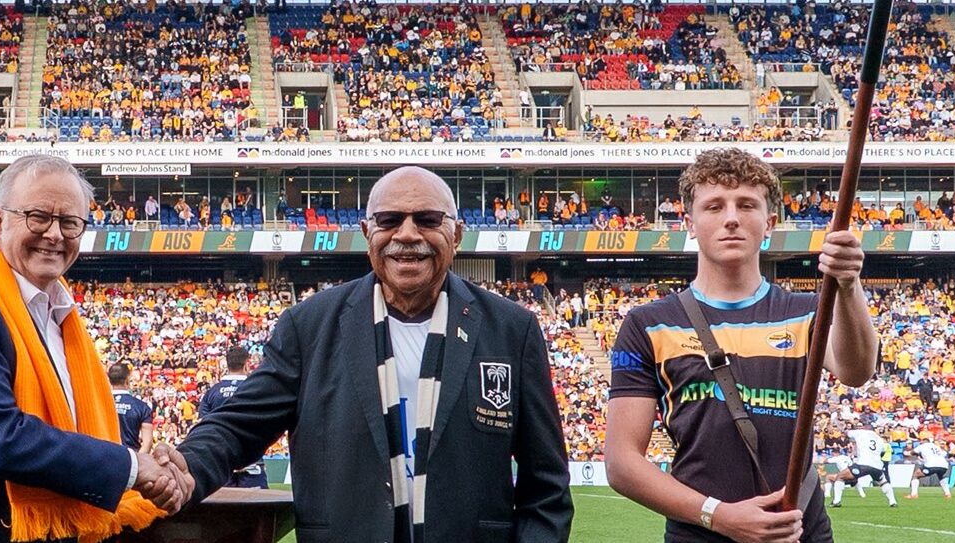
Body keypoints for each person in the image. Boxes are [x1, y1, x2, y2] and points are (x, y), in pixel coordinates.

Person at [174, 166, 573, 541]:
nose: (408, 234)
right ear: (367, 232)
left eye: (428, 219)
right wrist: (185, 467)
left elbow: (547, 485)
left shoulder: (510, 330)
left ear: (457, 234)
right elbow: (238, 425)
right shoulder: (309, 326)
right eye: (389, 220)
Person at [0, 155, 186, 543]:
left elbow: (75, 434)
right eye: (38, 217)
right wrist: (133, 466)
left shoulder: (61, 316)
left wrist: (154, 464)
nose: (54, 234)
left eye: (69, 222)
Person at [605, 148, 878, 543]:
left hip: (801, 532)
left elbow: (857, 371)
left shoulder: (805, 311)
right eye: (713, 206)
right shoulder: (647, 324)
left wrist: (850, 286)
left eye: (746, 205)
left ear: (769, 223)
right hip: (700, 535)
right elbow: (622, 462)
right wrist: (719, 516)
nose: (731, 218)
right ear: (690, 224)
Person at [196, 347, 266, 489]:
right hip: (251, 461)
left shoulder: (212, 392)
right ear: (247, 363)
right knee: (258, 508)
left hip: (221, 462)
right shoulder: (257, 388)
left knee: (223, 508)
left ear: (226, 365)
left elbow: (204, 426)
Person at [830, 427, 896, 508]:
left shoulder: (860, 433)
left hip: (863, 464)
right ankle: (893, 501)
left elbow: (846, 433)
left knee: (840, 476)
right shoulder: (879, 439)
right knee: (883, 482)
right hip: (877, 465)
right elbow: (882, 452)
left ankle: (836, 501)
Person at [109, 363, 154, 454]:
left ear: (110, 380)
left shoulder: (99, 404)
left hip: (105, 458)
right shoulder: (142, 407)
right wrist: (135, 463)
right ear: (127, 380)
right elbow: (147, 443)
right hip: (130, 457)